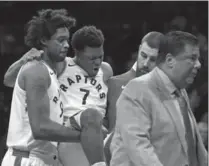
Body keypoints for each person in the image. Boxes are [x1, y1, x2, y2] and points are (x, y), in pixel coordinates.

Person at [3, 25, 113, 166]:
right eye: (91, 58)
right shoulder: (61, 65)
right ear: (77, 54)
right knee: (90, 115)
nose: (97, 62)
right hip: (68, 132)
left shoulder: (106, 70)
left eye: (100, 56)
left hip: (94, 137)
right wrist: (24, 60)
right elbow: (9, 80)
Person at [110, 31, 207, 166]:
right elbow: (139, 149)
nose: (198, 64)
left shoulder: (180, 91)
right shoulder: (138, 89)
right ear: (169, 60)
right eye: (192, 58)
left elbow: (192, 147)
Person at [1, 9, 81, 166]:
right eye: (60, 40)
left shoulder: (53, 70)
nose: (66, 45)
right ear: (44, 40)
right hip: (27, 157)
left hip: (46, 158)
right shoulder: (36, 69)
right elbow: (40, 128)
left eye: (67, 40)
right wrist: (83, 136)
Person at [104, 31, 163, 165]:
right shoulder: (113, 84)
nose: (146, 63)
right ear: (139, 50)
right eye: (143, 55)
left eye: (152, 59)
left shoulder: (167, 94)